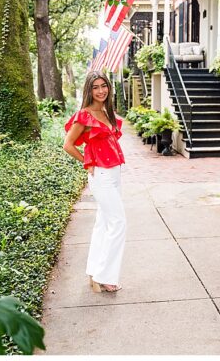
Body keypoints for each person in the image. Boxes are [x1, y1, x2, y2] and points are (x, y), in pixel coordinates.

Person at [63, 71, 127, 293]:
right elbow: (68, 145)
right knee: (118, 223)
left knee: (104, 223)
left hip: (115, 173)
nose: (101, 90)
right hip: (100, 175)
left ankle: (95, 268)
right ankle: (105, 275)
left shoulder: (106, 112)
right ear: (89, 90)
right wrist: (86, 162)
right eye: (95, 87)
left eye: (104, 86)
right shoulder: (85, 115)